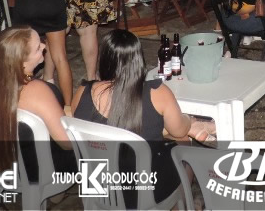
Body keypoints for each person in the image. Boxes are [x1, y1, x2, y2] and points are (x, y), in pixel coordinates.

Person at [71, 31, 215, 205]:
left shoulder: (82, 92)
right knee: (184, 141)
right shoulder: (156, 93)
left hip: (98, 186)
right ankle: (182, 205)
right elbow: (180, 130)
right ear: (138, 60)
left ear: (104, 59)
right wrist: (189, 120)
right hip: (145, 190)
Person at [0, 27, 75, 177]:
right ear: (22, 62)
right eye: (38, 48)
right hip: (38, 171)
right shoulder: (38, 90)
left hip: (1, 166)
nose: (44, 46)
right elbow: (66, 143)